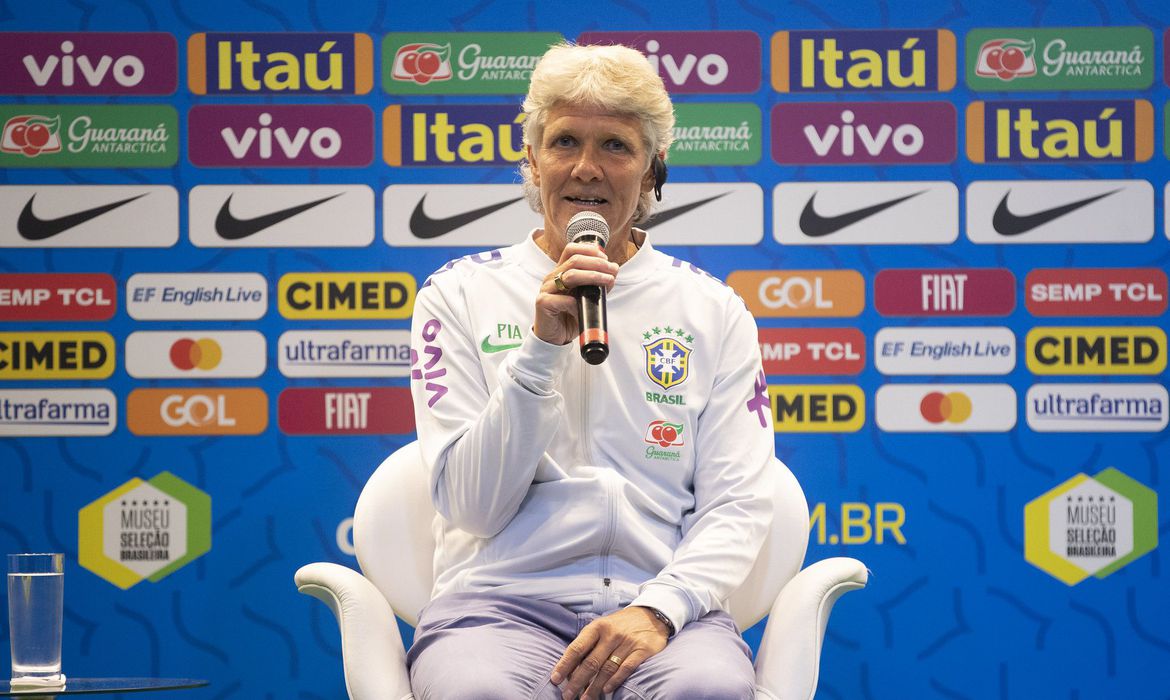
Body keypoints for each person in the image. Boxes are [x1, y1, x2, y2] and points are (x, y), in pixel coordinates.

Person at [407, 42, 775, 700]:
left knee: (709, 690)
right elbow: (469, 505)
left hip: (662, 609)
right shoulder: (455, 293)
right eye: (564, 141)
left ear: (653, 170)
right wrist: (540, 349)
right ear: (531, 160)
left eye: (615, 146)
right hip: (496, 609)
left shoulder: (715, 311)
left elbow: (738, 503)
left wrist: (660, 609)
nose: (585, 168)